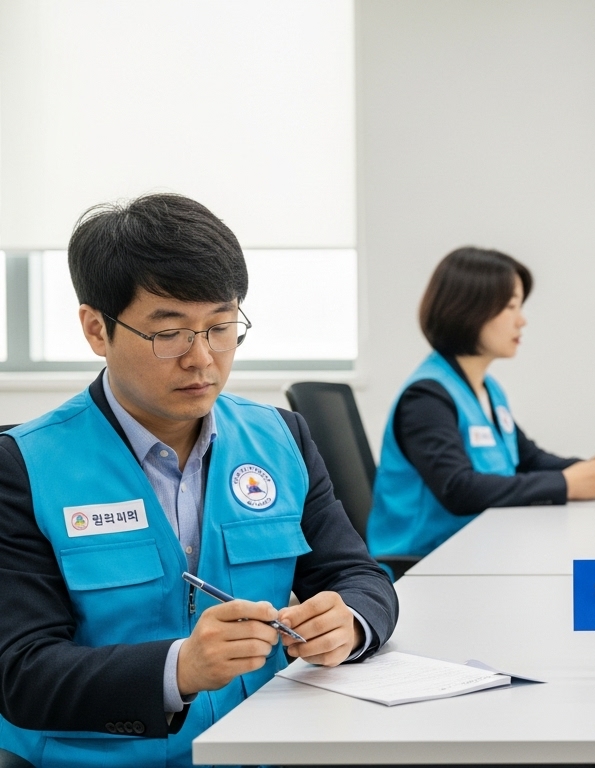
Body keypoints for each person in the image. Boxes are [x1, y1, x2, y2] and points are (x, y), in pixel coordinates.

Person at [0, 194, 399, 767]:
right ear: (96, 329)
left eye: (220, 327)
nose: (203, 359)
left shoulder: (279, 438)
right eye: (170, 333)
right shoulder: (25, 467)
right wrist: (178, 669)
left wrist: (351, 622)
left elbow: (358, 574)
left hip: (265, 748)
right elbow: (21, 672)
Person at [368, 247, 595, 558]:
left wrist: (586, 469)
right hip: (425, 559)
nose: (522, 320)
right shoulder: (426, 398)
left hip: (482, 545)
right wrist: (565, 483)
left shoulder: (488, 390)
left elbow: (528, 459)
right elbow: (458, 489)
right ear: (468, 309)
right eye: (510, 306)